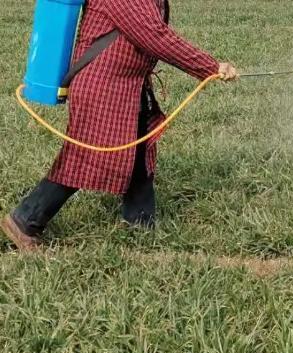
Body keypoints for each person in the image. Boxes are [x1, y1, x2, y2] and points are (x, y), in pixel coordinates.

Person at [0, 0, 238, 250]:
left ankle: (140, 227)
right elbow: (154, 36)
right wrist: (210, 66)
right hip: (103, 88)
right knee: (84, 159)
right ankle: (26, 220)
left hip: (127, 87)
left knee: (140, 151)